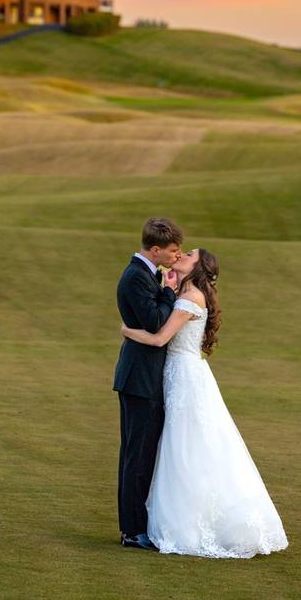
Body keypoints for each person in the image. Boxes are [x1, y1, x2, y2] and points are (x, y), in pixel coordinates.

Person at [121, 248, 289, 558]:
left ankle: (191, 524)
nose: (181, 254)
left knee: (186, 447)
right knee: (177, 446)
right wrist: (168, 288)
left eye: (189, 254)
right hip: (178, 375)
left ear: (198, 268)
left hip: (183, 376)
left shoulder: (191, 297)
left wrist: (127, 331)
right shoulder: (183, 291)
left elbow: (160, 339)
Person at [113, 218, 183, 551]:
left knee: (141, 456)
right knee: (136, 457)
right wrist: (170, 291)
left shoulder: (147, 274)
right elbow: (155, 323)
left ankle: (137, 527)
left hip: (145, 378)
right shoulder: (135, 277)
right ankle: (132, 531)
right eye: (172, 250)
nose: (176, 255)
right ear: (155, 250)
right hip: (140, 379)